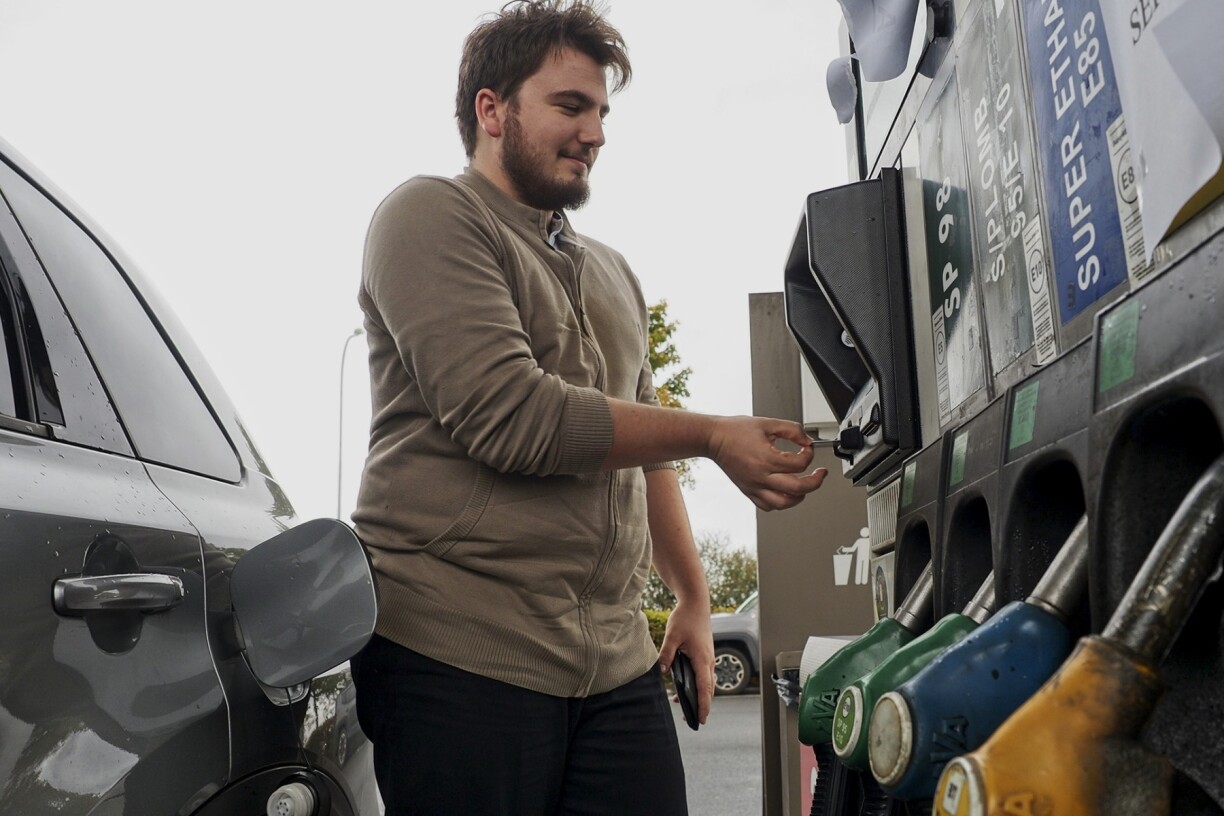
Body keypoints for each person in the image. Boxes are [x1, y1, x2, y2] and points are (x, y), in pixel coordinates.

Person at [349, 2, 828, 813]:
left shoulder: (613, 271)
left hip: (615, 663)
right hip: (457, 655)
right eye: (570, 106)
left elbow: (649, 452)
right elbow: (513, 417)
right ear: (492, 111)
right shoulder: (428, 216)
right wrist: (716, 434)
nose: (595, 132)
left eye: (602, 112)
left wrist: (693, 599)